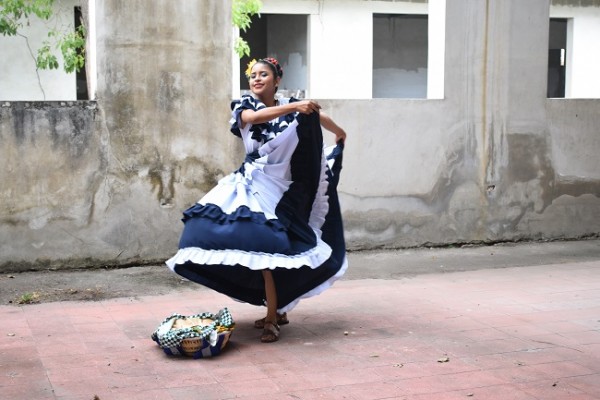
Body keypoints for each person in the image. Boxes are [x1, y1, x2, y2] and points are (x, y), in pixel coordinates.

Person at [166, 57, 347, 343]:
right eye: (253, 75)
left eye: (263, 74)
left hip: (281, 189)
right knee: (255, 246)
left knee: (274, 251)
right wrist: (294, 106)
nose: (256, 79)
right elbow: (252, 120)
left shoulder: (291, 105)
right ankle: (274, 313)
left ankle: (275, 315)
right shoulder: (244, 106)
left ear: (277, 80)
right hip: (251, 184)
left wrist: (338, 132)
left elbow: (316, 115)